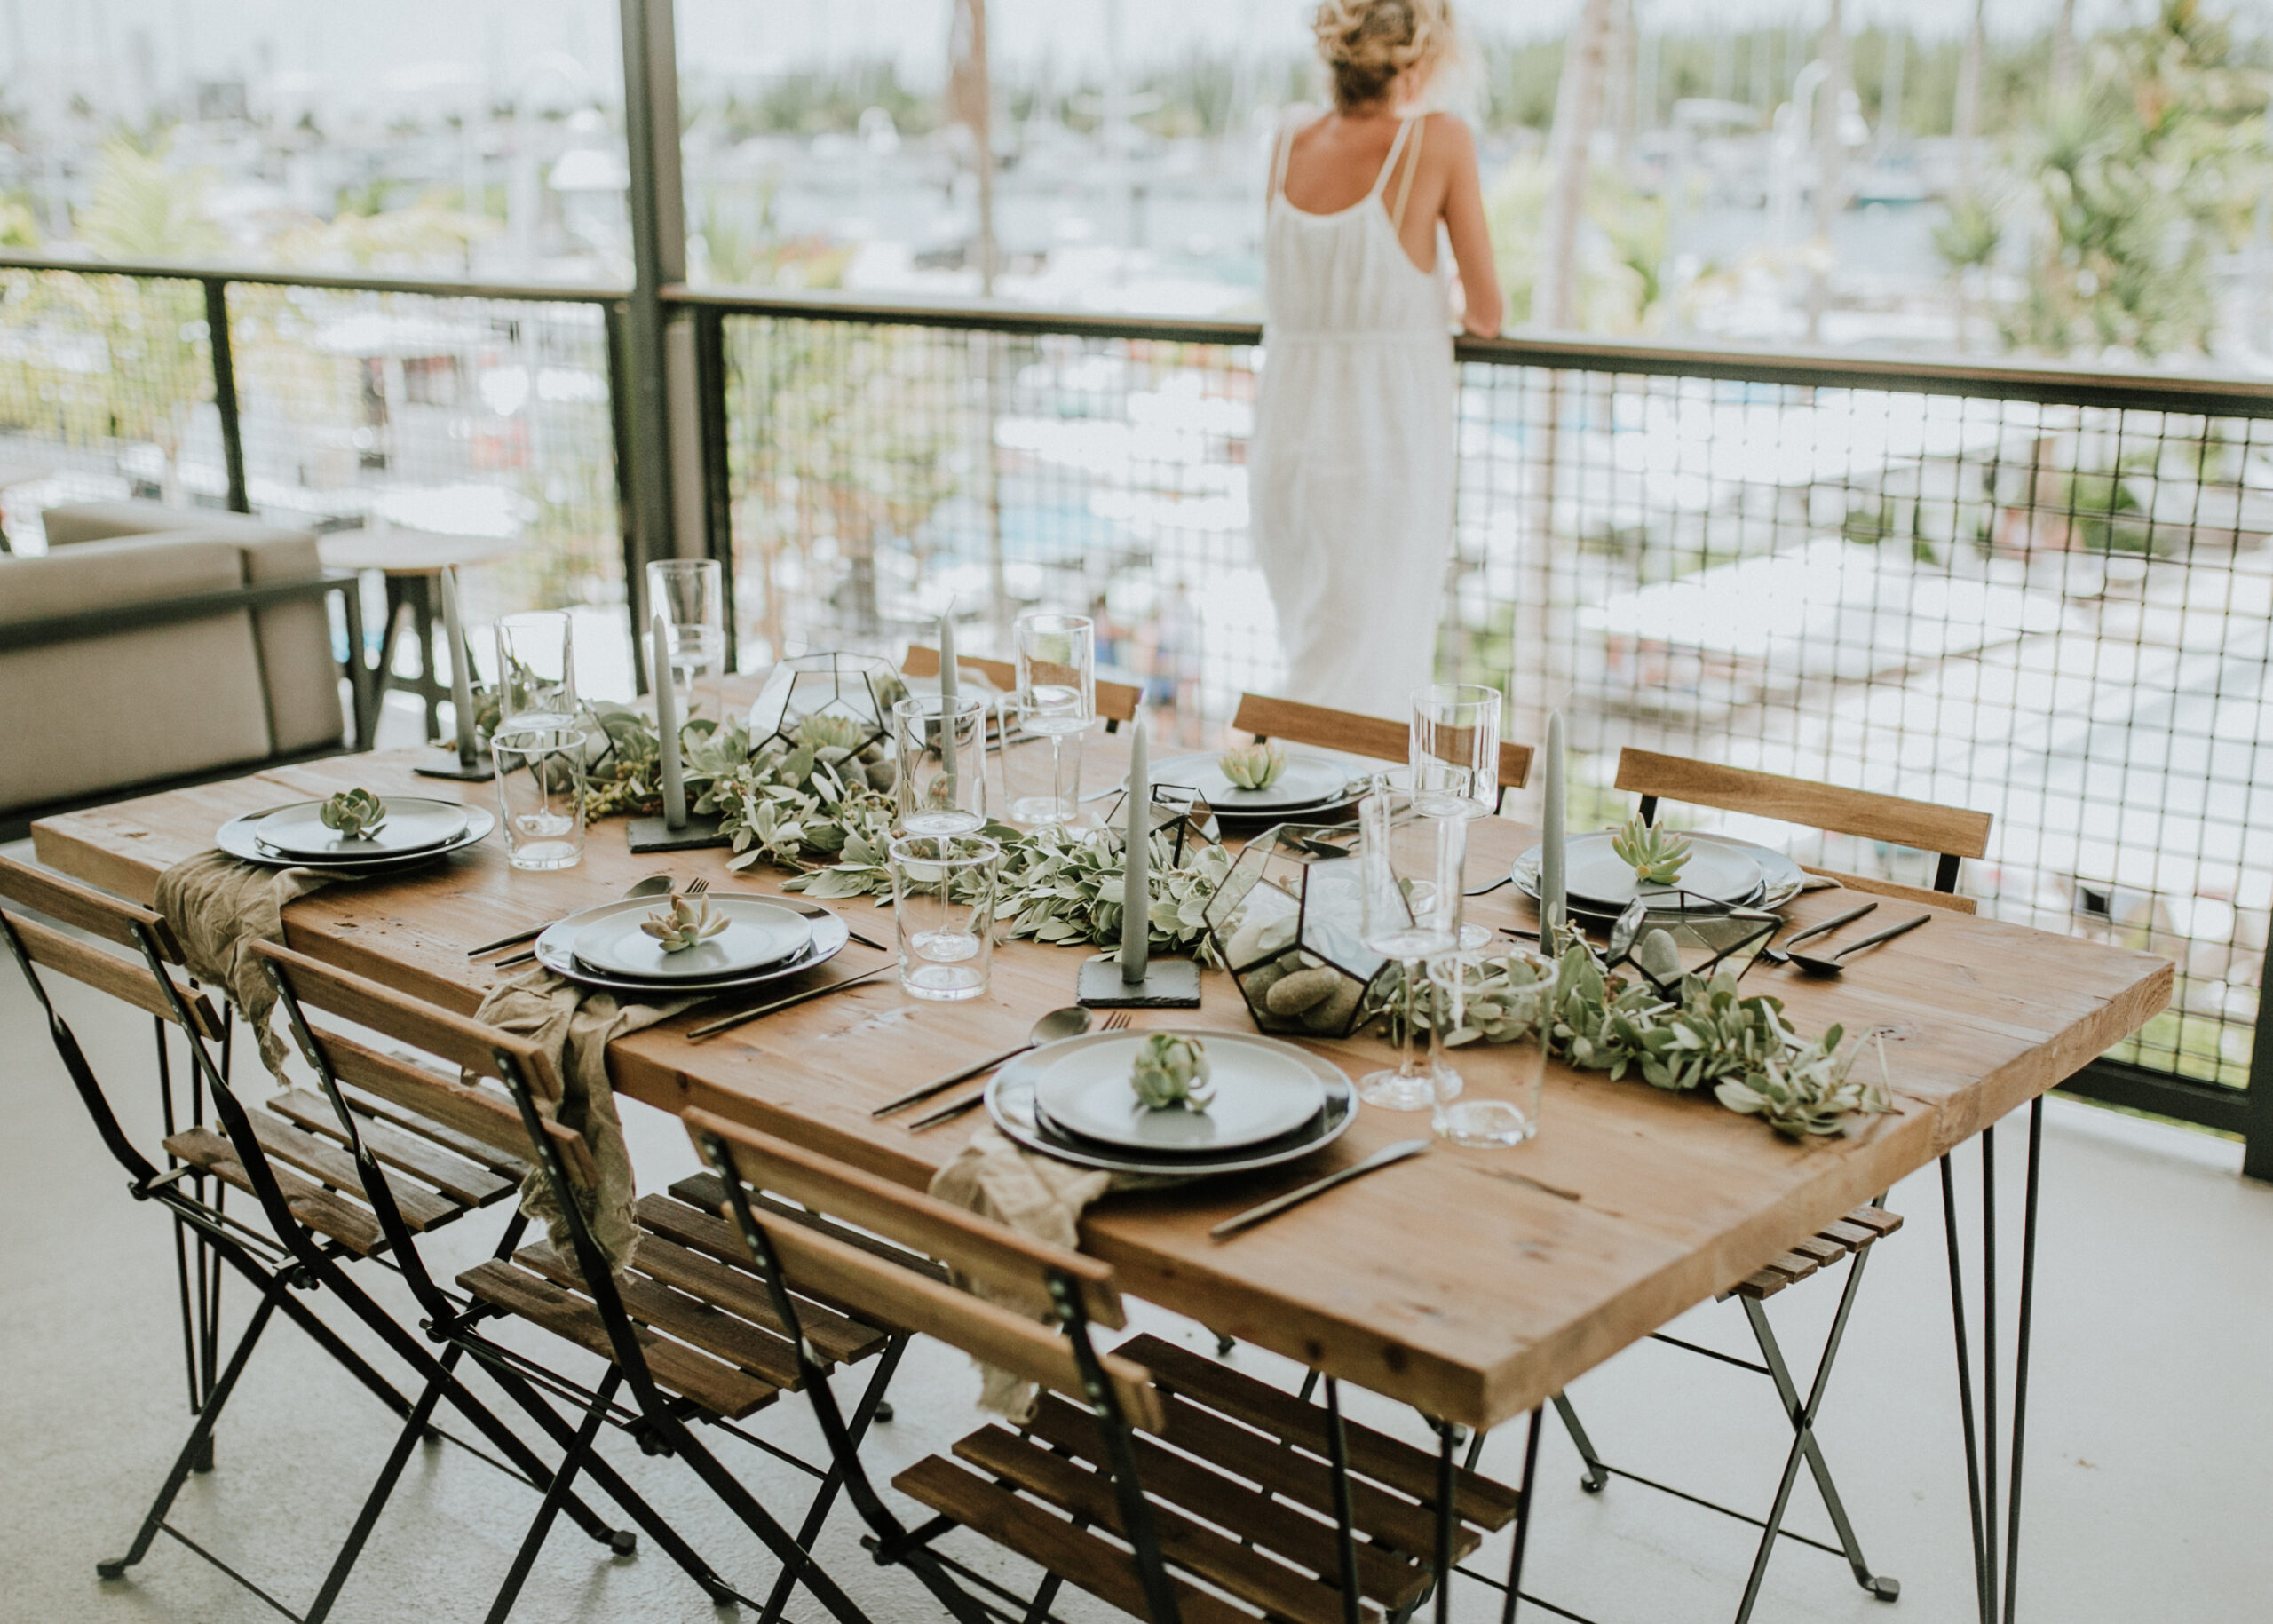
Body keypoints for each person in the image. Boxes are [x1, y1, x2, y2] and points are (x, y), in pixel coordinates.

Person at [1249, 0, 1501, 719]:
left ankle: (1295, 817)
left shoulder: (1284, 140)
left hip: (1285, 450)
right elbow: (1487, 313)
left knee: (1314, 661)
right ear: (1421, 60)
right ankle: (1346, 828)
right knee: (1372, 682)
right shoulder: (1440, 140)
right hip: (1379, 449)